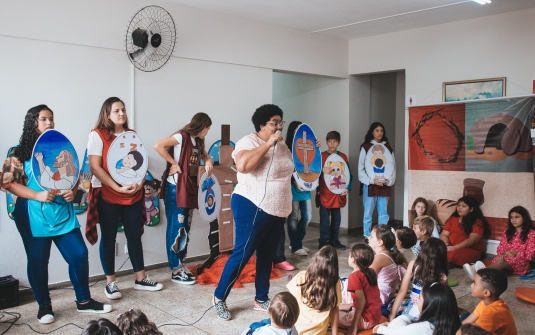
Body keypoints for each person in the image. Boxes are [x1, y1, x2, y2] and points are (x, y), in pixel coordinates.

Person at [1, 105, 111, 324]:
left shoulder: (63, 147)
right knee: (38, 261)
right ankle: (44, 306)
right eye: (44, 119)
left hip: (63, 212)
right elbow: (7, 183)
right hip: (33, 215)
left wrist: (74, 191)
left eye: (51, 119)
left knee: (79, 254)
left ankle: (84, 301)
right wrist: (37, 195)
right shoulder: (18, 151)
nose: (49, 123)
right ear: (33, 122)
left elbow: (77, 177)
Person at [212, 104, 294, 320]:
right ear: (261, 124)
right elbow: (243, 166)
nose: (278, 127)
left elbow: (288, 171)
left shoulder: (283, 145)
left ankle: (261, 298)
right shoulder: (248, 141)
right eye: (274, 123)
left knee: (267, 254)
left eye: (280, 122)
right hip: (252, 204)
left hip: (277, 208)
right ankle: (219, 297)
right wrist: (268, 144)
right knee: (243, 253)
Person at [87, 97, 162, 300]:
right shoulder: (97, 135)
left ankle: (140, 278)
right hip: (107, 193)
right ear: (107, 114)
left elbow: (140, 162)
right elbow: (95, 167)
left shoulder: (131, 135)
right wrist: (116, 187)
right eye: (116, 111)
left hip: (132, 193)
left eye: (123, 110)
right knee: (109, 237)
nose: (121, 114)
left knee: (134, 235)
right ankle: (110, 283)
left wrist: (139, 182)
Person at [153, 112, 213, 284]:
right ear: (202, 126)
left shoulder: (197, 142)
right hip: (176, 188)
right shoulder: (181, 137)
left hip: (189, 189)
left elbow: (203, 154)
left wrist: (208, 160)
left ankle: (180, 262)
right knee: (176, 226)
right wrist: (174, 163)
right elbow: (158, 146)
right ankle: (175, 268)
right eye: (207, 128)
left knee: (185, 227)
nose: (208, 132)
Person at [273, 120, 318, 270]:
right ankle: (296, 245)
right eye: (296, 130)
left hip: (305, 189)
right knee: (293, 218)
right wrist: (294, 180)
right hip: (293, 189)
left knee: (307, 217)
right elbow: (286, 168)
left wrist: (316, 146)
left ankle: (295, 243)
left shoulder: (306, 145)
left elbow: (314, 161)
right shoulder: (287, 148)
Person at [464, 206, 535, 279]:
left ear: (524, 218)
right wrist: (503, 254)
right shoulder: (508, 231)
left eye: (517, 217)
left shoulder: (531, 233)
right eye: (511, 217)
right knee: (499, 260)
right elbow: (501, 246)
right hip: (505, 258)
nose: (513, 220)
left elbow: (531, 253)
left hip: (520, 261)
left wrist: (516, 253)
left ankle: (478, 273)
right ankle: (481, 271)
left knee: (502, 262)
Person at [389, 238, 448, 323]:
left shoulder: (414, 265)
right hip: (432, 312)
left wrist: (392, 315)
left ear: (423, 252)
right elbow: (445, 297)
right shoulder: (443, 275)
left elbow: (402, 291)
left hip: (413, 309)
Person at [287, 246, 341, 335]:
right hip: (319, 332)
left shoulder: (302, 275)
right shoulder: (335, 282)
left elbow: (289, 303)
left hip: (297, 330)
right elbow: (335, 310)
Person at [374, 282, 461, 335]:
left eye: (419, 298)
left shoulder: (426, 327)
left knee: (397, 323)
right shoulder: (453, 322)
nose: (416, 301)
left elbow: (391, 333)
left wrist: (378, 328)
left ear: (429, 305)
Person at [358, 122, 395, 240]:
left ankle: (381, 237)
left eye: (381, 130)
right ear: (372, 132)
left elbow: (392, 167)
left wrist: (388, 181)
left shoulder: (388, 148)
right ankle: (367, 235)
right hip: (369, 185)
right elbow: (361, 168)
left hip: (384, 185)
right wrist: (371, 180)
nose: (380, 133)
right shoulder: (366, 147)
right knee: (368, 213)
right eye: (377, 130)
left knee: (383, 214)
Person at [318, 130, 353, 250]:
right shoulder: (321, 156)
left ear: (339, 143)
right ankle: (323, 242)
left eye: (334, 141)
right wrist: (322, 170)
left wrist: (348, 188)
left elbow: (349, 175)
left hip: (338, 193)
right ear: (326, 142)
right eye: (329, 141)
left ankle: (334, 240)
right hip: (325, 193)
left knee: (336, 219)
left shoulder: (343, 157)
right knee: (324, 219)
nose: (332, 144)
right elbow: (314, 173)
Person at [339, 244, 382, 334]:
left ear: (353, 259)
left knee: (329, 315)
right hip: (375, 316)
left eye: (349, 255)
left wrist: (354, 326)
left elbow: (361, 301)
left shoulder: (354, 276)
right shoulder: (370, 272)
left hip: (364, 320)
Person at [462, 269, 518, 335]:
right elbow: (465, 323)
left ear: (486, 293)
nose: (471, 285)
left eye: (475, 284)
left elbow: (469, 333)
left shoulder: (493, 313)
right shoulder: (485, 303)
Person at [440, 196, 490, 267]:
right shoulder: (453, 219)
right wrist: (446, 243)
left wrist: (454, 247)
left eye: (463, 206)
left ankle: (443, 263)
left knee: (450, 254)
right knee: (434, 249)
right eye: (458, 205)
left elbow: (472, 240)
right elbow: (444, 234)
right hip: (450, 247)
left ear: (471, 209)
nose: (459, 208)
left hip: (468, 250)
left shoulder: (477, 222)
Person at [368, 225, 407, 315]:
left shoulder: (380, 258)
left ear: (380, 242)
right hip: (386, 297)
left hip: (379, 300)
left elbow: (363, 278)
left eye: (371, 236)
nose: (368, 238)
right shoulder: (389, 253)